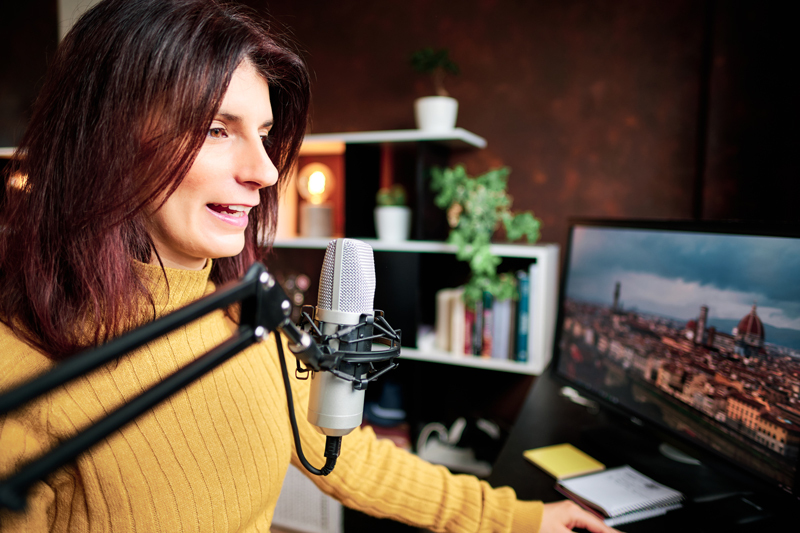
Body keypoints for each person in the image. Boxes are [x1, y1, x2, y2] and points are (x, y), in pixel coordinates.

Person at [0, 1, 619, 532]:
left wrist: (516, 518)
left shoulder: (248, 320)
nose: (267, 172)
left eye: (265, 134)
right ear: (106, 139)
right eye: (217, 129)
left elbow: (345, 455)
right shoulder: (22, 372)